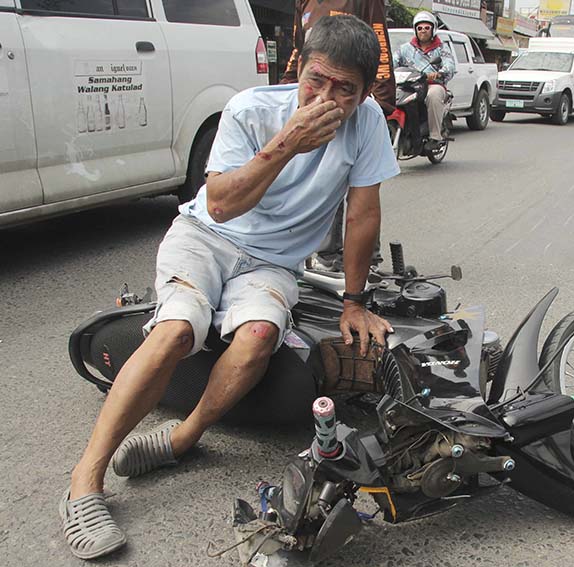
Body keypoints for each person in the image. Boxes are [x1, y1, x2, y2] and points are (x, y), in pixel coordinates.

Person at [60, 15, 399, 560]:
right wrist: (288, 142)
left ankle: (181, 438)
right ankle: (84, 482)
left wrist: (353, 302)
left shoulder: (368, 125)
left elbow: (363, 214)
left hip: (272, 262)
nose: (328, 98)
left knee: (260, 335)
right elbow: (219, 203)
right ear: (297, 68)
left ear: (363, 95)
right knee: (175, 331)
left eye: (346, 90)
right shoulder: (250, 110)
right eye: (318, 80)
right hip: (206, 236)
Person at [282, 0, 396, 272]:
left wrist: (379, 105)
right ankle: (327, 256)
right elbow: (301, 47)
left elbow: (379, 46)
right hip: (315, 98)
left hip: (350, 99)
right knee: (319, 181)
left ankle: (367, 261)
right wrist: (290, 87)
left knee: (362, 188)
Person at [393, 11, 456, 151]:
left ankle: (435, 136)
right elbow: (393, 62)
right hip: (409, 85)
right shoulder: (405, 49)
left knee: (433, 96)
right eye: (420, 28)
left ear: (433, 29)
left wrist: (439, 73)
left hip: (432, 85)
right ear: (415, 30)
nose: (423, 31)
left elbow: (450, 65)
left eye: (427, 28)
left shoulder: (441, 48)